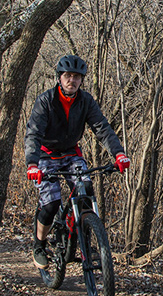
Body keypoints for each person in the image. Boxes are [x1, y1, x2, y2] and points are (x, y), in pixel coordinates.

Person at [25, 54, 130, 269]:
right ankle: (39, 245)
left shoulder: (85, 101)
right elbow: (34, 134)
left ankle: (80, 240)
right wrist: (32, 164)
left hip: (71, 153)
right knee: (51, 203)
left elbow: (101, 127)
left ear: (81, 80)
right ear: (59, 78)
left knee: (86, 192)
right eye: (67, 76)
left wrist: (118, 154)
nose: (71, 80)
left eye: (76, 77)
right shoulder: (46, 100)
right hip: (45, 155)